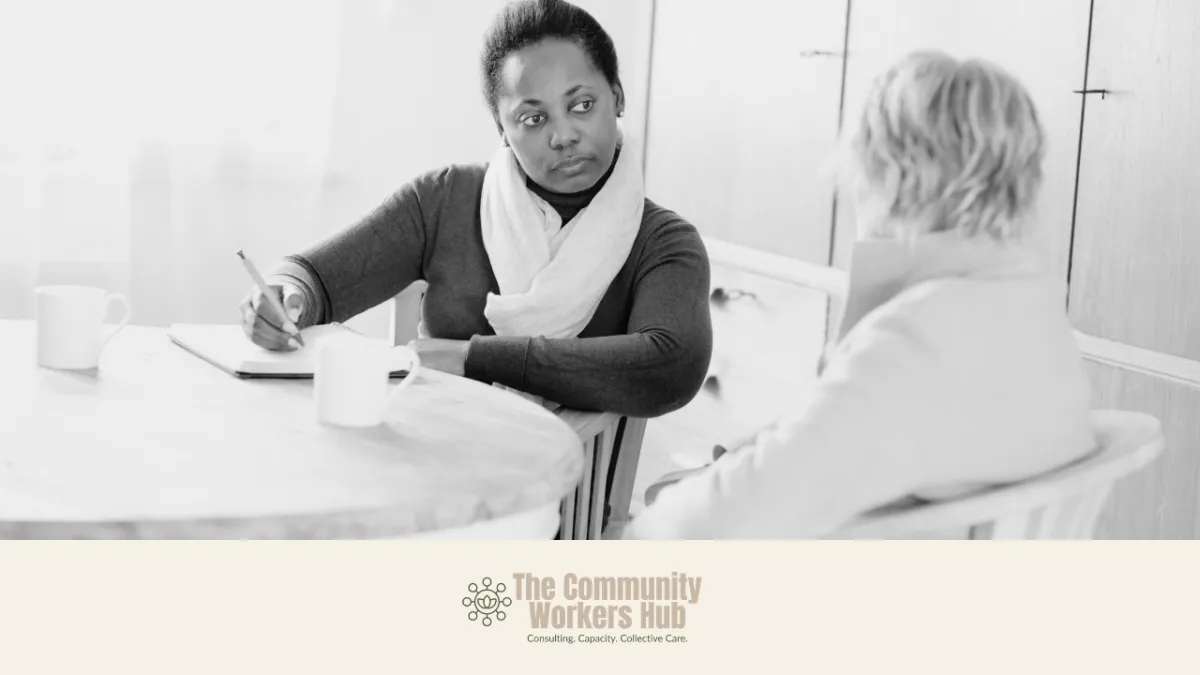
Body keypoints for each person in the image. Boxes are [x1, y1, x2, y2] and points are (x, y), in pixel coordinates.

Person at [624, 51, 1097, 539]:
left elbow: (712, 523)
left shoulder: (917, 340)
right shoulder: (1031, 307)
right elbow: (850, 437)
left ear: (894, 175)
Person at [239, 0, 712, 418]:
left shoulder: (664, 243)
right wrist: (284, 297)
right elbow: (315, 277)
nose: (563, 134)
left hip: (565, 504)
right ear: (503, 130)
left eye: (583, 104)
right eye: (534, 117)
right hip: (425, 472)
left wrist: (475, 358)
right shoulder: (446, 198)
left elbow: (669, 366)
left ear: (618, 97)